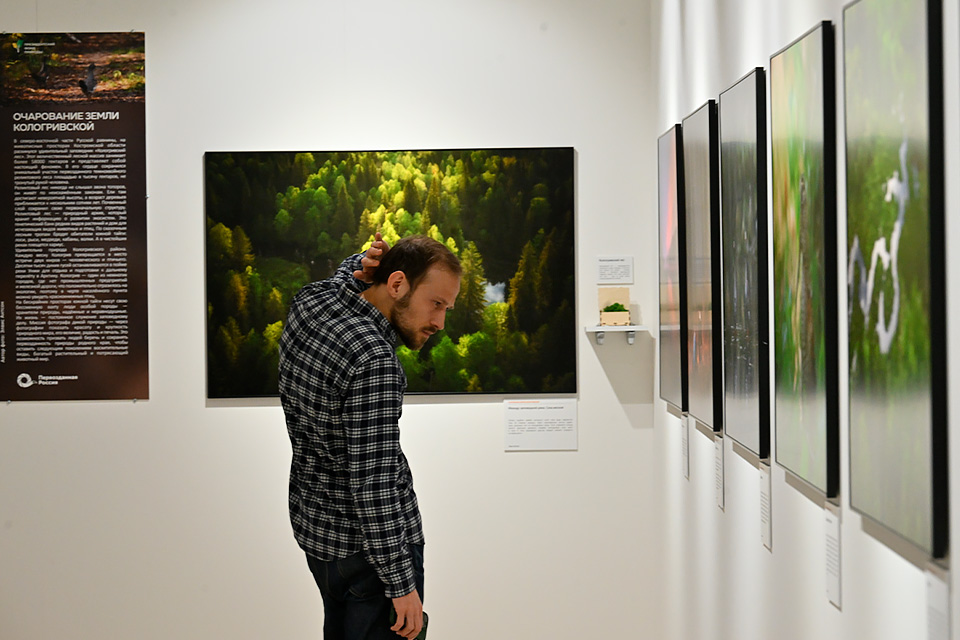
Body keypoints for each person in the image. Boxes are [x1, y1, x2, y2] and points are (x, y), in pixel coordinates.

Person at [279, 233, 461, 640]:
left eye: (446, 309)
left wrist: (361, 261)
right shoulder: (374, 360)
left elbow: (342, 283)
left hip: (319, 537)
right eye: (436, 304)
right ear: (396, 284)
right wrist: (401, 586)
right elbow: (373, 486)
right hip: (370, 559)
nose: (440, 323)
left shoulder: (311, 303)